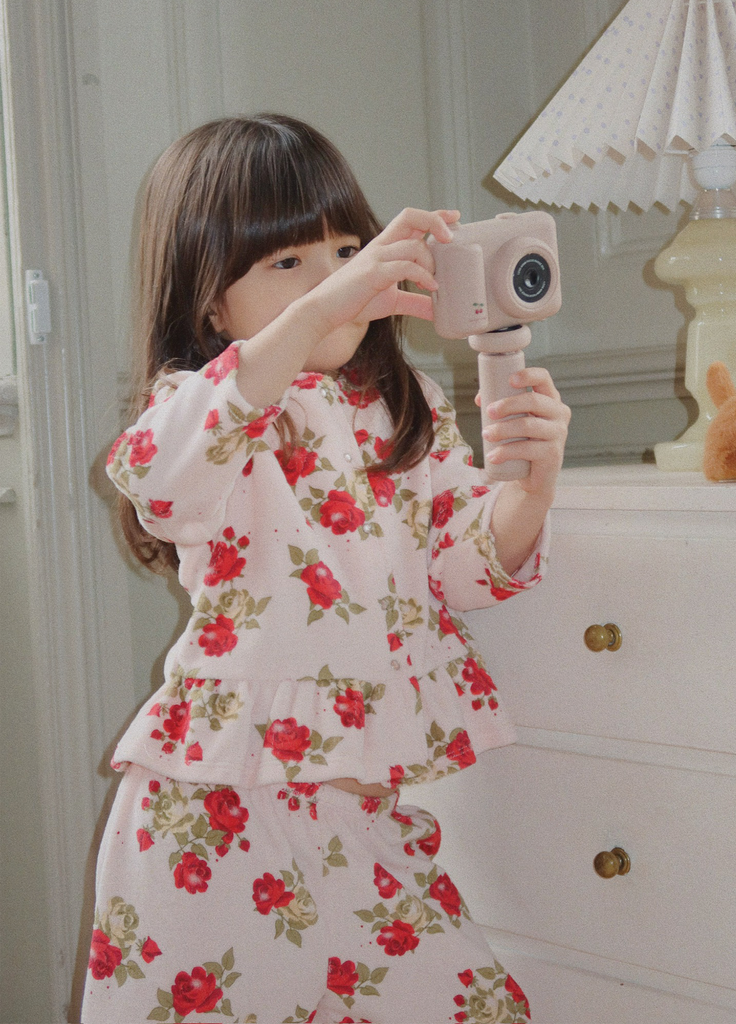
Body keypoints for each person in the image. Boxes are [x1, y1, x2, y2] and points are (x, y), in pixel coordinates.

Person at [83, 112, 570, 1024]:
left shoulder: (405, 405)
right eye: (288, 262)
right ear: (209, 301)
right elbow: (153, 471)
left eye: (348, 249)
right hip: (215, 824)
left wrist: (529, 490)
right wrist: (320, 308)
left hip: (363, 821)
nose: (336, 279)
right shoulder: (204, 411)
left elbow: (463, 571)